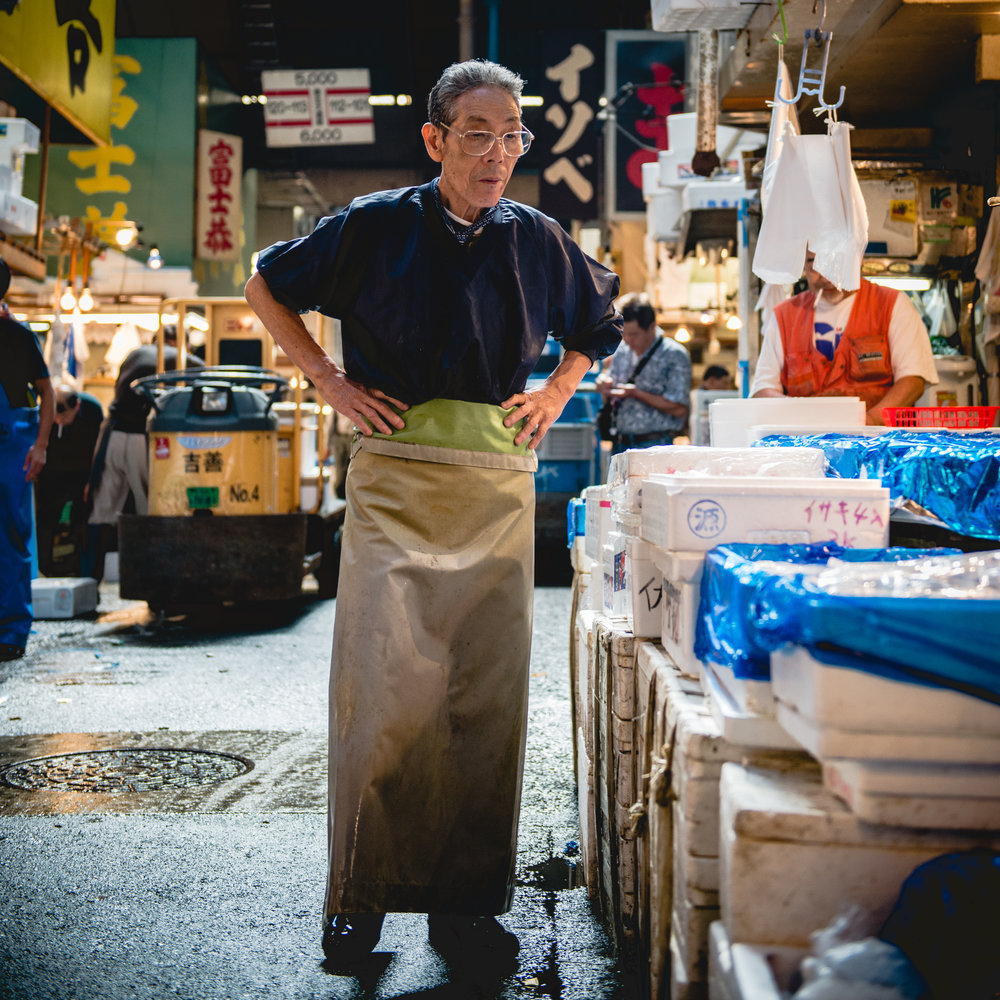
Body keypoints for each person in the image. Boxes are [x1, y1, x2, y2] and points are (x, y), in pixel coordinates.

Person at [245, 58, 621, 968]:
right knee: (381, 696)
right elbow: (266, 283)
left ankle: (465, 905)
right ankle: (359, 902)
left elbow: (597, 327)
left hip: (494, 494)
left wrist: (559, 391)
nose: (499, 153)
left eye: (512, 135)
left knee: (482, 704)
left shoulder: (537, 237)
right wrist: (329, 380)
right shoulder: (374, 226)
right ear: (436, 139)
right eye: (479, 133)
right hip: (394, 482)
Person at [750, 250, 938, 424]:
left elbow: (912, 380)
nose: (825, 276)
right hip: (805, 445)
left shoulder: (893, 304)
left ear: (858, 259)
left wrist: (869, 422)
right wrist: (803, 417)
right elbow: (763, 390)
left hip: (877, 446)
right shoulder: (784, 315)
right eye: (813, 262)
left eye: (834, 262)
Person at [87, 328, 202, 580]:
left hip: (112, 436)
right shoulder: (185, 359)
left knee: (102, 512)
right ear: (178, 342)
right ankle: (153, 579)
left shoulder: (135, 353)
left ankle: (89, 583)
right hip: (142, 439)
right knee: (150, 507)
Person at [0, 257, 54, 661]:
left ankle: (12, 631)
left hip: (12, 446)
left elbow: (47, 393)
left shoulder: (18, 336)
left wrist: (41, 446)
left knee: (12, 538)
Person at [595, 291, 691, 454]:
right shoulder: (621, 352)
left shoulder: (674, 354)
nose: (628, 340)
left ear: (652, 326)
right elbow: (609, 389)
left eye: (633, 335)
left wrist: (636, 393)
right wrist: (604, 384)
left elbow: (679, 408)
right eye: (623, 334)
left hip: (656, 444)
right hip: (620, 443)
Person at [34, 383, 103, 577]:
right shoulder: (46, 411)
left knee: (81, 520)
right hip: (52, 473)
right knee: (47, 520)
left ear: (77, 406)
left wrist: (93, 480)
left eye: (65, 417)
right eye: (56, 417)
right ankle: (45, 569)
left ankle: (82, 571)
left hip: (81, 473)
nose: (60, 422)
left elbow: (98, 448)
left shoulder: (92, 410)